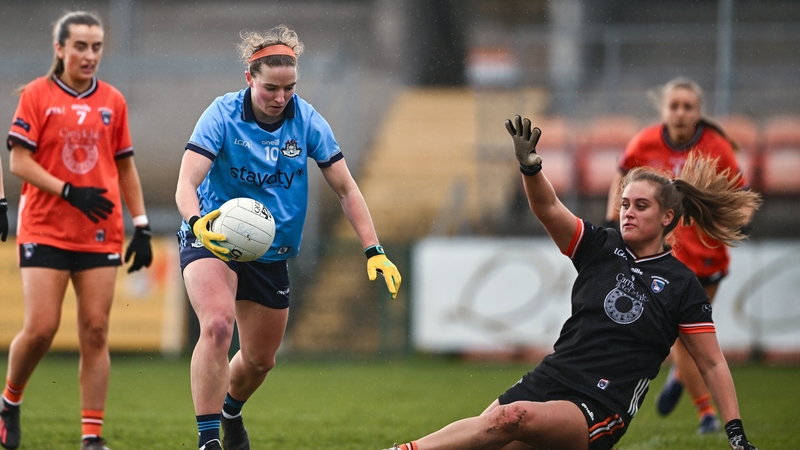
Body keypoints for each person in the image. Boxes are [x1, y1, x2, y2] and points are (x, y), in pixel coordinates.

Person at [383, 116, 760, 450]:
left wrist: (736, 432)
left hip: (599, 405)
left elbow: (711, 364)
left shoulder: (682, 284)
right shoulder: (602, 247)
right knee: (488, 436)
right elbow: (548, 208)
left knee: (506, 419)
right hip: (552, 376)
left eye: (640, 206)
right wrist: (530, 167)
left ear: (668, 217)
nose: (627, 213)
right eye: (625, 203)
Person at [175, 24, 402, 450]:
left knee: (261, 360)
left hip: (269, 251)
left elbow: (346, 188)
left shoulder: (308, 120)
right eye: (270, 88)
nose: (281, 98)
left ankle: (231, 411)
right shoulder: (221, 114)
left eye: (289, 88)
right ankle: (208, 441)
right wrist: (196, 221)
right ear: (249, 78)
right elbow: (186, 182)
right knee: (219, 326)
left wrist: (374, 250)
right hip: (211, 236)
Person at [1, 11, 152, 450]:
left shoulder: (113, 101)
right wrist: (70, 191)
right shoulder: (36, 95)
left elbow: (125, 166)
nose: (89, 55)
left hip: (99, 231)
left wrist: (140, 225)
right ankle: (9, 401)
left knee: (96, 330)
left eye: (97, 46)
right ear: (60, 49)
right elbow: (19, 162)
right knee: (43, 327)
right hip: (44, 227)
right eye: (81, 46)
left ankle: (92, 437)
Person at [604, 77, 749, 434]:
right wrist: (612, 222)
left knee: (695, 335)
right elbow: (621, 179)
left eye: (688, 107)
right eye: (674, 106)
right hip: (667, 257)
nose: (680, 113)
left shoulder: (717, 146)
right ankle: (707, 415)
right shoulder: (646, 141)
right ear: (664, 110)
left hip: (709, 257)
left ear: (699, 112)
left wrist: (733, 224)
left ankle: (679, 379)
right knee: (680, 335)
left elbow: (742, 197)